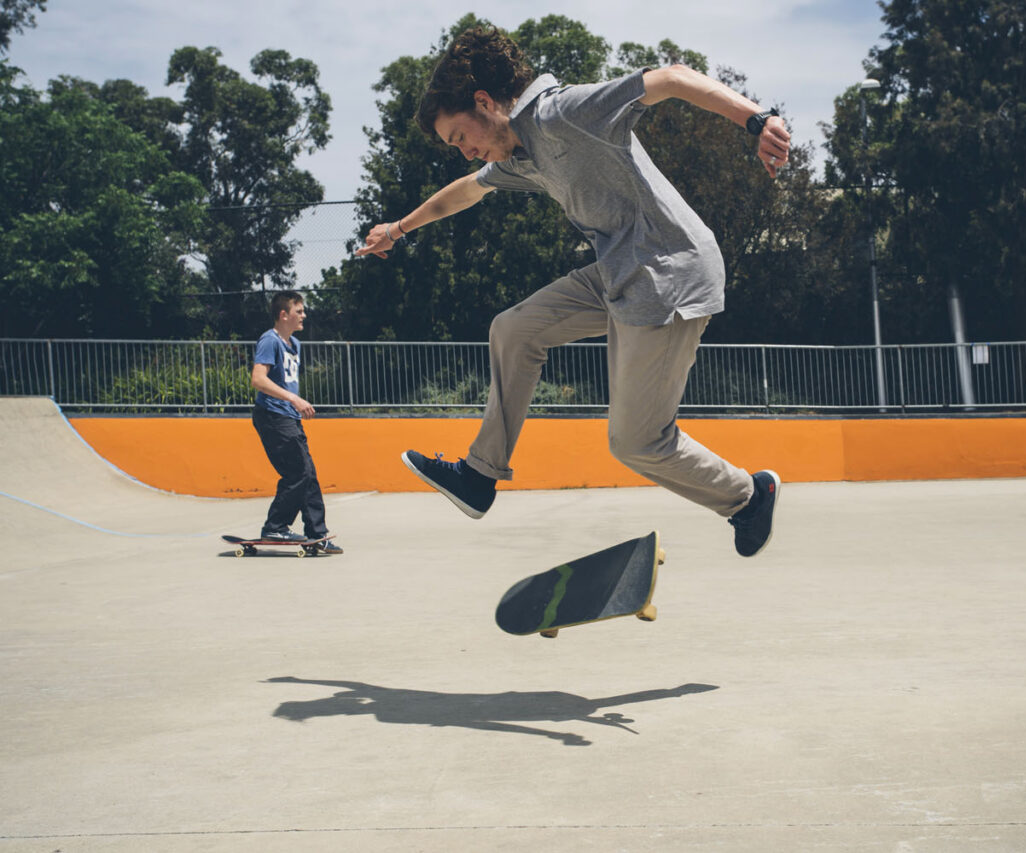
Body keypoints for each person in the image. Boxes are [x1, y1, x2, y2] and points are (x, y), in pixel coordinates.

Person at [356, 26, 787, 557]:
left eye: (460, 138)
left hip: (667, 272)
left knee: (635, 442)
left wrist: (758, 120)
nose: (467, 152)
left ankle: (748, 495)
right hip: (616, 274)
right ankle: (478, 475)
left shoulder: (563, 113)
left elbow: (671, 78)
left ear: (485, 102)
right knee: (514, 330)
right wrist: (397, 229)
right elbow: (464, 194)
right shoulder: (520, 154)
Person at [249, 291, 342, 554]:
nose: (304, 315)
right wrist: (294, 399)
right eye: (299, 311)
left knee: (307, 473)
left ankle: (317, 533)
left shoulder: (294, 344)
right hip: (272, 416)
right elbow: (258, 379)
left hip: (288, 417)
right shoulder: (270, 340)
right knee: (298, 472)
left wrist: (293, 404)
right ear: (283, 315)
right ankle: (275, 526)